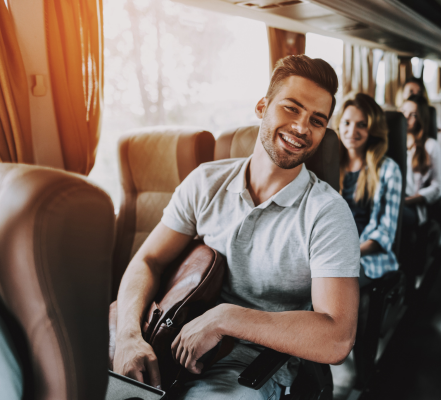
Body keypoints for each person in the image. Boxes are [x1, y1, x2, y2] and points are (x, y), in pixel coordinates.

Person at [113, 55, 361, 399]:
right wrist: (128, 335)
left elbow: (337, 337)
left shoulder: (327, 213)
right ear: (262, 106)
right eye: (291, 108)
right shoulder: (205, 182)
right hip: (168, 334)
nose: (302, 127)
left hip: (248, 364)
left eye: (316, 120)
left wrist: (226, 318)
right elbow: (148, 261)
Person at [336, 93, 402, 287]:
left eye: (361, 124)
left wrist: (347, 254)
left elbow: (384, 234)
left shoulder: (389, 170)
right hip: (330, 250)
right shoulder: (328, 165)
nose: (352, 130)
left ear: (372, 129)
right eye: (346, 123)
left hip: (366, 257)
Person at [399, 94, 441, 228]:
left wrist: (409, 201)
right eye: (403, 112)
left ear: (420, 119)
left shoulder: (430, 146)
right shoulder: (389, 143)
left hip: (412, 206)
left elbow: (439, 186)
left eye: (413, 115)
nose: (406, 118)